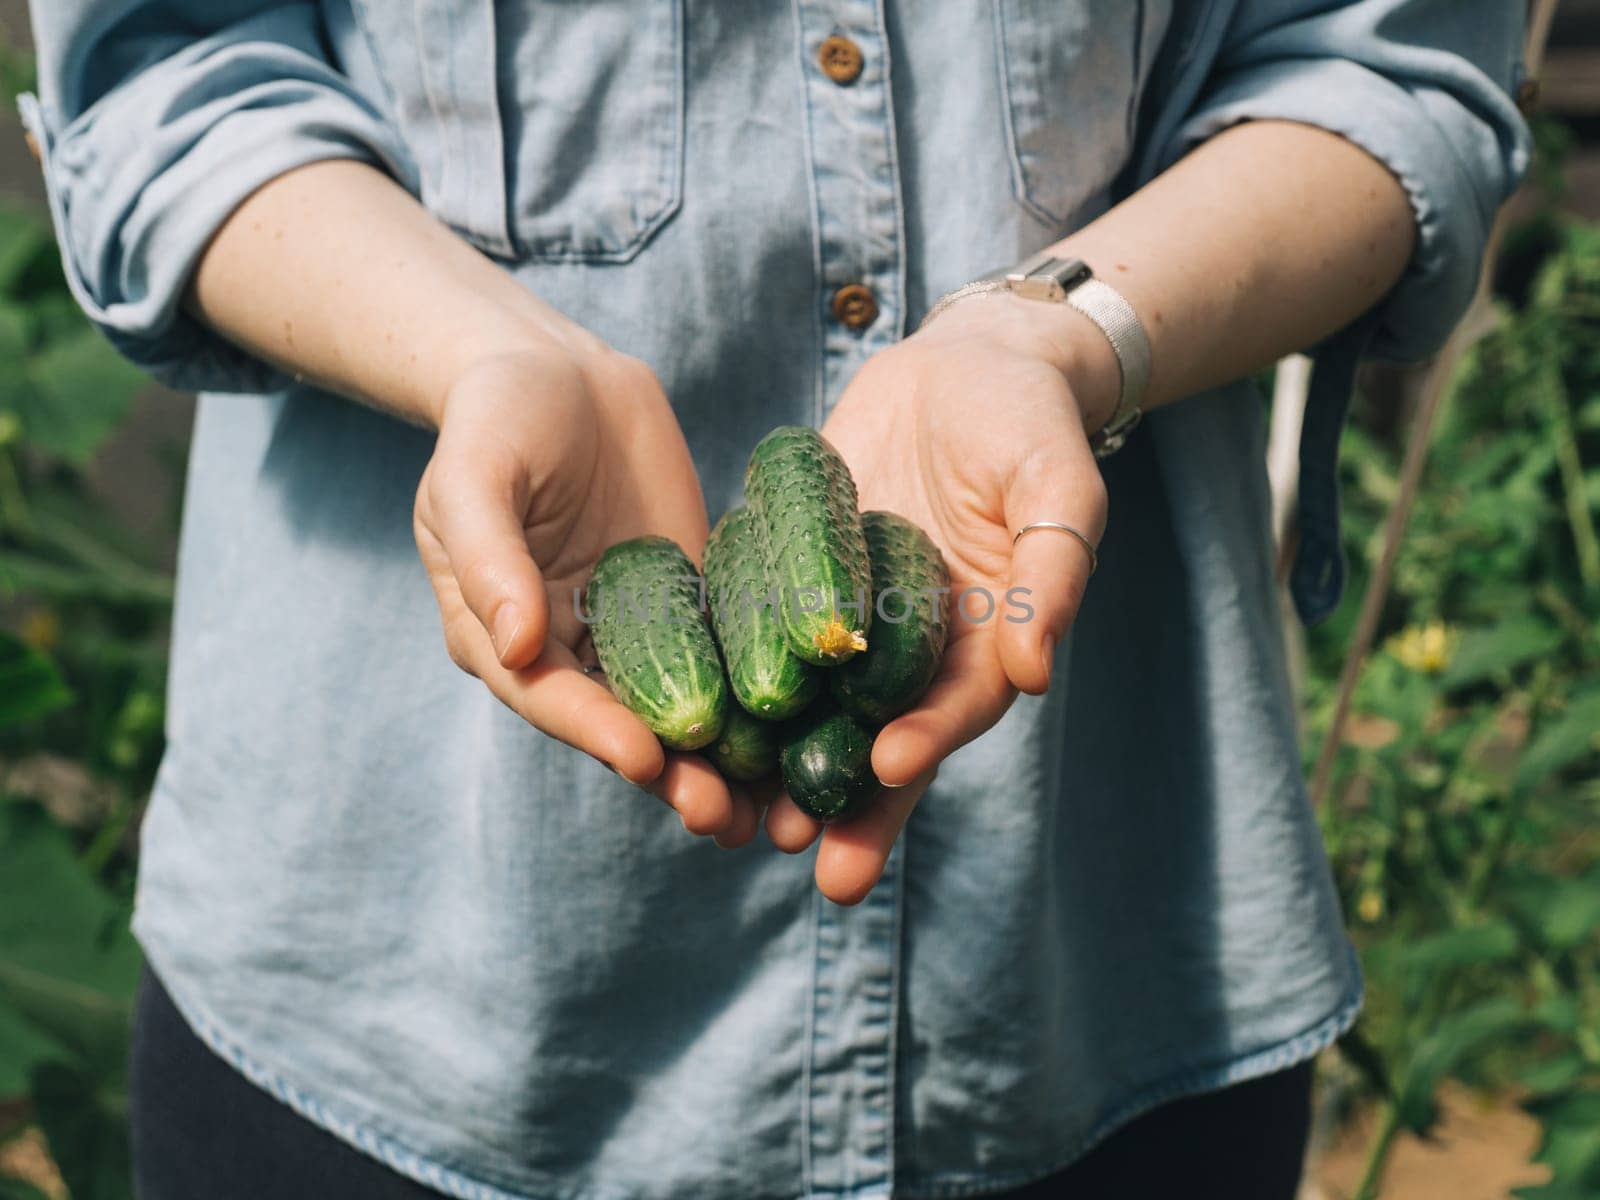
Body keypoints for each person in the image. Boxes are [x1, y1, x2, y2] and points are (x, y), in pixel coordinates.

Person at [21, 2, 1529, 1198]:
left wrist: (1061, 336)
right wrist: (480, 353)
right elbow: (168, 81)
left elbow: (1392, 76)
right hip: (394, 989)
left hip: (1101, 955)